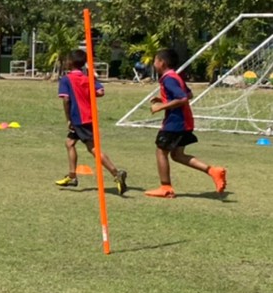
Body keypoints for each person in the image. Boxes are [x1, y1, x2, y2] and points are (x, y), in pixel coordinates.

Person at [146, 48, 227, 198]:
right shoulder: (175, 76)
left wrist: (161, 106)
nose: (154, 63)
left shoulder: (168, 79)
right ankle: (213, 171)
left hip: (175, 122)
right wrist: (164, 99)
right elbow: (188, 94)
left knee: (161, 151)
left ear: (162, 63)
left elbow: (183, 98)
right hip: (185, 121)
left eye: (155, 60)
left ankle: (166, 188)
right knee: (177, 155)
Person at [55, 48, 128, 194]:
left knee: (93, 149)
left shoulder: (66, 79)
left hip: (78, 118)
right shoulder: (87, 78)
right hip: (88, 116)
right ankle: (72, 176)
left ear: (70, 62)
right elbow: (100, 91)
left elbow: (66, 99)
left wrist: (68, 119)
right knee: (69, 143)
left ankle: (116, 173)